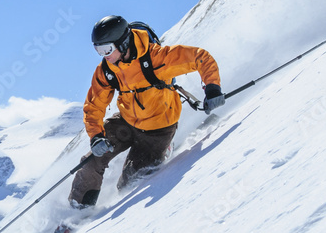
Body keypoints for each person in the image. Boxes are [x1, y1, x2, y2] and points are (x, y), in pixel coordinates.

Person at [67, 15, 225, 208]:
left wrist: (212, 88)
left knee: (130, 183)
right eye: (98, 50)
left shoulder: (156, 58)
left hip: (158, 129)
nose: (104, 55)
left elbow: (201, 57)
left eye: (107, 49)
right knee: (90, 162)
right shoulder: (107, 70)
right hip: (126, 122)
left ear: (122, 43)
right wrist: (96, 137)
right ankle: (77, 211)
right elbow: (93, 106)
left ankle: (165, 149)